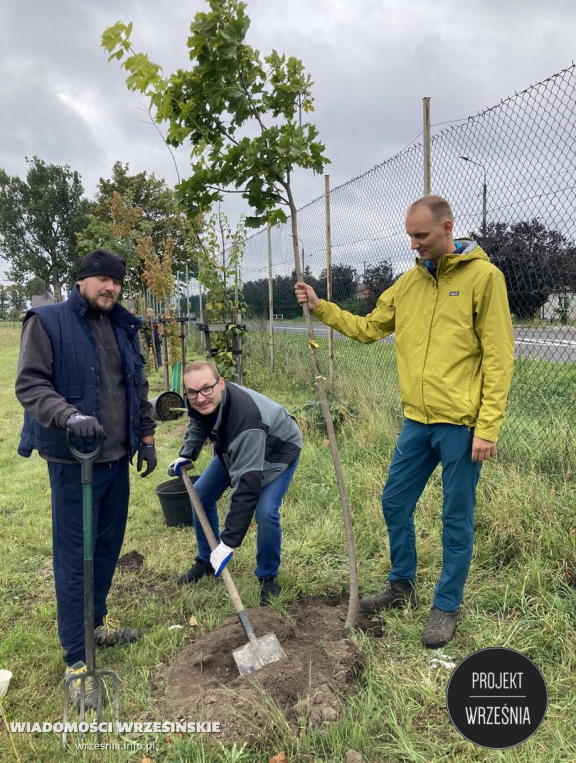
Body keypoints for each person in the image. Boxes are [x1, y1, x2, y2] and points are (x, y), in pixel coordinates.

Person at [294, 195, 514, 648]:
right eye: (410, 236)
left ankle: (446, 605)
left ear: (448, 228)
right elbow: (369, 328)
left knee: (456, 518)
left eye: (422, 236)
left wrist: (487, 427)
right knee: (394, 501)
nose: (414, 245)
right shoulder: (407, 284)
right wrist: (321, 307)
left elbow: (499, 356)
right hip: (417, 421)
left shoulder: (485, 279)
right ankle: (401, 585)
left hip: (460, 426)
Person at [15, 248, 158, 709]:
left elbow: (136, 383)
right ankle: (78, 657)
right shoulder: (47, 321)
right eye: (101, 280)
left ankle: (95, 624)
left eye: (116, 282)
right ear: (82, 281)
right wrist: (69, 414)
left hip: (117, 459)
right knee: (76, 556)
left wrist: (149, 435)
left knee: (107, 547)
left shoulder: (121, 324)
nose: (110, 288)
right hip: (75, 462)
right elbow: (31, 385)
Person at [167, 360, 302, 605]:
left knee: (265, 511)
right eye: (192, 392)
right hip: (237, 447)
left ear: (221, 384)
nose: (200, 398)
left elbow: (247, 487)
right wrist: (187, 454)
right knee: (200, 494)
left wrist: (229, 542)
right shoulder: (200, 398)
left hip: (277, 450)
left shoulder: (245, 419)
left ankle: (268, 577)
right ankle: (206, 559)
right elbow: (198, 422)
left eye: (207, 389)